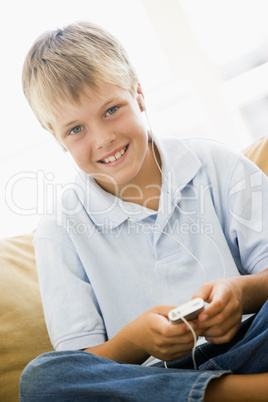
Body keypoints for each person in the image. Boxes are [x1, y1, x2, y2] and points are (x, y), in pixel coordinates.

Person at [20, 21, 268, 401]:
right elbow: (82, 363)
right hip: (145, 382)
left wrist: (240, 293)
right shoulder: (59, 230)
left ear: (139, 94)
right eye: (75, 130)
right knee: (40, 380)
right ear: (57, 138)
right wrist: (135, 340)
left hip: (249, 344)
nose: (103, 139)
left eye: (112, 110)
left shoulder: (219, 164)